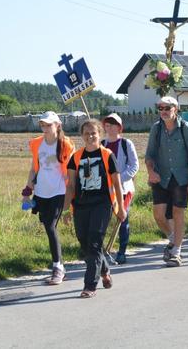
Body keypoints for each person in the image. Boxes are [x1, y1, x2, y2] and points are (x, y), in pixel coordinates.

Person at [63, 119, 126, 298]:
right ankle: (104, 270)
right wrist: (67, 209)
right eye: (86, 133)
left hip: (102, 204)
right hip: (81, 205)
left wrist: (121, 208)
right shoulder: (75, 157)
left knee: (95, 241)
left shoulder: (107, 155)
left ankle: (89, 285)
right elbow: (71, 186)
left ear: (100, 134)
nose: (90, 136)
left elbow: (117, 184)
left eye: (93, 133)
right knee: (85, 243)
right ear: (82, 136)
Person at [145, 96, 188, 267]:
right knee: (159, 215)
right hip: (161, 177)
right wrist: (150, 172)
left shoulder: (186, 128)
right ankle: (173, 240)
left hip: (181, 177)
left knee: (178, 213)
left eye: (167, 108)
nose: (163, 112)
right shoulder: (156, 129)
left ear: (176, 109)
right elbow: (149, 155)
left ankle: (176, 252)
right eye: (160, 108)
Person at [23, 111, 75, 285]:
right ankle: (60, 266)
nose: (45, 128)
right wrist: (27, 190)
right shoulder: (38, 144)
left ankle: (57, 267)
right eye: (43, 125)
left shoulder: (65, 145)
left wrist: (72, 194)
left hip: (59, 192)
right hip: (41, 192)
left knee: (51, 226)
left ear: (57, 126)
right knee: (47, 225)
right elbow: (33, 169)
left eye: (49, 125)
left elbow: (71, 172)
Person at [101, 113, 138, 265]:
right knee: (103, 220)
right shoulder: (101, 144)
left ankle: (122, 251)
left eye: (112, 123)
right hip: (106, 189)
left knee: (122, 219)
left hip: (124, 189)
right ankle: (103, 251)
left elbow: (134, 165)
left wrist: (118, 179)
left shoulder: (126, 143)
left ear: (119, 127)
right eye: (107, 123)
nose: (109, 126)